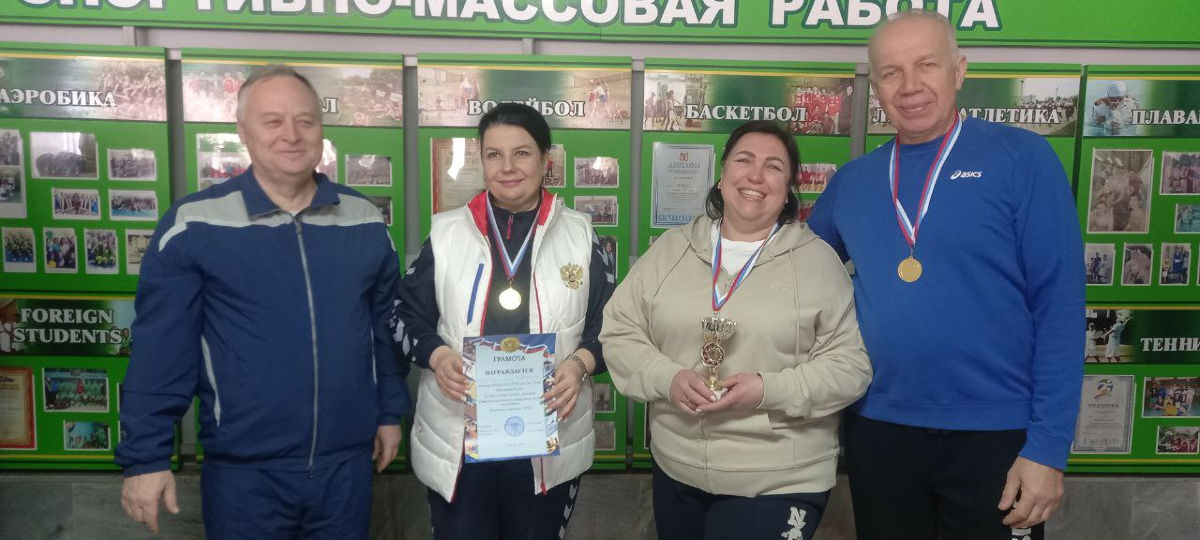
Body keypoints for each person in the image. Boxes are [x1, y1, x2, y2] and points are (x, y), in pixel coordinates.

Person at [806, 10, 1084, 539]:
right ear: (875, 85)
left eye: (926, 65)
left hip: (996, 432)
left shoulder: (1021, 159)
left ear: (959, 70)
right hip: (879, 427)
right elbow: (792, 274)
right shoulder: (855, 181)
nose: (909, 86)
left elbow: (1060, 309)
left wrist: (1048, 447)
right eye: (891, 72)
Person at [116, 65, 409, 538]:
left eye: (305, 121)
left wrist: (388, 413)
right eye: (273, 121)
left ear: (321, 129)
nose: (291, 135)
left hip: (345, 469)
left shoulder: (363, 220)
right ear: (243, 131)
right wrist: (145, 457)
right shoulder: (194, 225)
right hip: (244, 475)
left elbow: (381, 331)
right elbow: (160, 351)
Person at [602, 120, 872, 540]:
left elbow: (850, 368)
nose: (755, 176)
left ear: (789, 188)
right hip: (678, 468)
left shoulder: (818, 263)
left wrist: (767, 389)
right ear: (722, 175)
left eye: (773, 167)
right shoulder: (670, 250)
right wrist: (667, 378)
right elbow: (620, 332)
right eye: (744, 160)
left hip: (779, 476)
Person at [394, 102, 615, 539]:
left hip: (547, 441)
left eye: (522, 153)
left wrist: (580, 364)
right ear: (481, 160)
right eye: (494, 154)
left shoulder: (580, 234)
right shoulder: (447, 234)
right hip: (460, 439)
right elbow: (405, 314)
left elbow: (612, 324)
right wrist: (437, 356)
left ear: (546, 160)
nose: (507, 167)